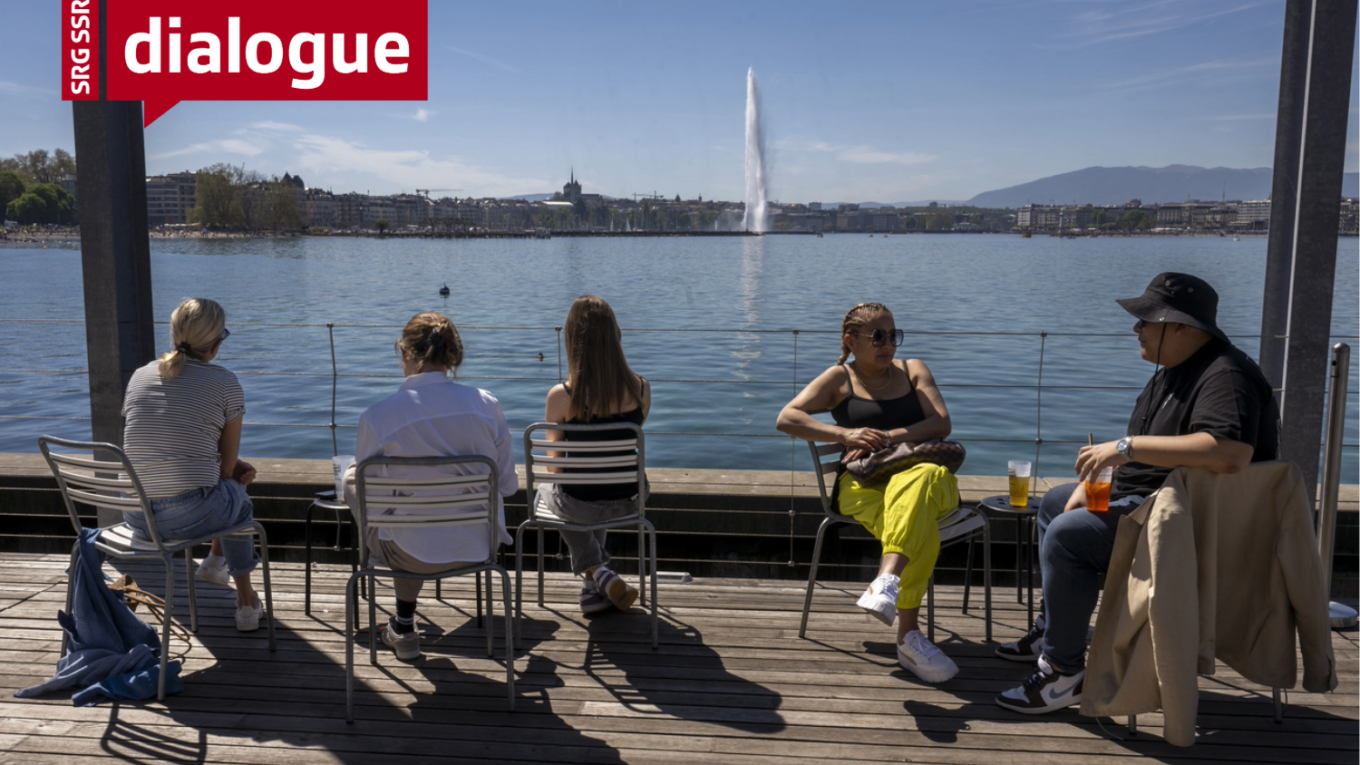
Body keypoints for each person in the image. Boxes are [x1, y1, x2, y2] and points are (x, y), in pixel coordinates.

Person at [995, 272, 1279, 714]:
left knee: (1069, 536)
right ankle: (1055, 630)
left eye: (1146, 321)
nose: (1136, 328)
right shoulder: (1174, 371)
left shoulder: (1227, 375)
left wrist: (1124, 448)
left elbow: (1229, 453)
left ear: (1181, 327)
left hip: (1187, 530)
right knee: (1054, 503)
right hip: (1155, 507)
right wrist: (1093, 482)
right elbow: (1146, 465)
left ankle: (1063, 672)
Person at [776, 302, 962, 683]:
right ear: (851, 340)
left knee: (920, 478)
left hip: (930, 480)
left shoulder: (913, 370)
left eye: (893, 335)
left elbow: (941, 423)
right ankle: (908, 638)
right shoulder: (839, 379)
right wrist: (845, 434)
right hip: (863, 485)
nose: (888, 344)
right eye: (878, 337)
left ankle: (887, 581)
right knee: (918, 525)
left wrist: (888, 438)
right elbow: (787, 417)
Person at [349, 311, 517, 660]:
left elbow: (375, 506)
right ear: (453, 357)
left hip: (408, 553)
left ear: (404, 353)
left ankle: (404, 625)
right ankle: (403, 624)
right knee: (403, 516)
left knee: (356, 478)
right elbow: (508, 485)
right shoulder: (487, 405)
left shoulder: (378, 416)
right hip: (479, 546)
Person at [121, 298, 264, 632]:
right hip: (185, 519)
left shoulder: (140, 376)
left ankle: (216, 562)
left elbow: (153, 443)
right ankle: (245, 601)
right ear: (215, 345)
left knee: (228, 492)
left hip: (135, 515)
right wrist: (232, 466)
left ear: (174, 335)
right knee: (238, 497)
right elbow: (226, 471)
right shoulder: (225, 382)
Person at [541, 295, 650, 614]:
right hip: (630, 498)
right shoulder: (641, 389)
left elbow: (555, 469)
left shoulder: (562, 396)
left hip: (583, 503)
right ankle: (592, 593)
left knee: (551, 491)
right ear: (615, 335)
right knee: (590, 492)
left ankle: (599, 572)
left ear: (572, 340)